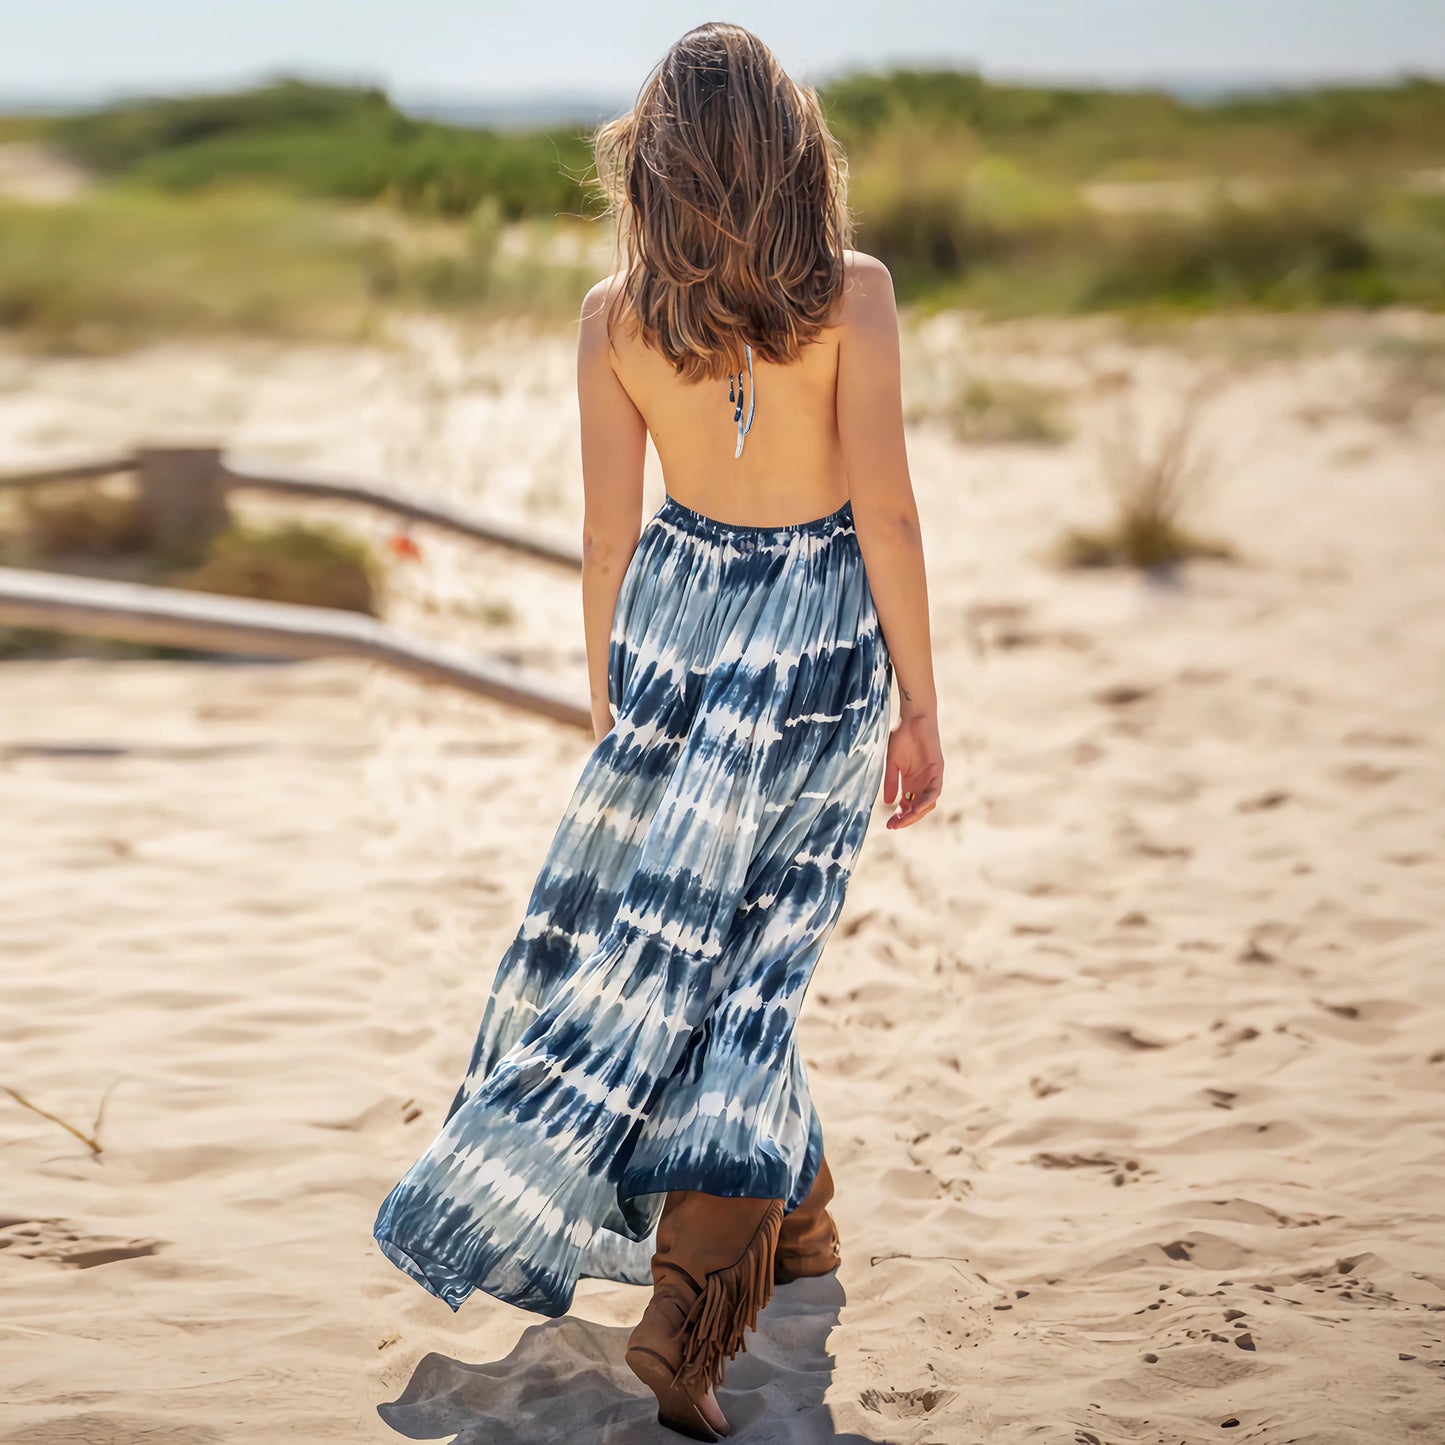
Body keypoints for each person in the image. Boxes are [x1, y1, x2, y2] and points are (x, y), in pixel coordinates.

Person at [372, 21, 944, 1441]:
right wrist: (921, 699)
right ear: (791, 158)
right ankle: (689, 1315)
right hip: (814, 637)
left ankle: (793, 1230)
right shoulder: (854, 297)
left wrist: (606, 692)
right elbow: (885, 509)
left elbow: (603, 536)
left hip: (677, 634)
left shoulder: (612, 318)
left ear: (653, 171)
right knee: (754, 957)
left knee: (683, 929)